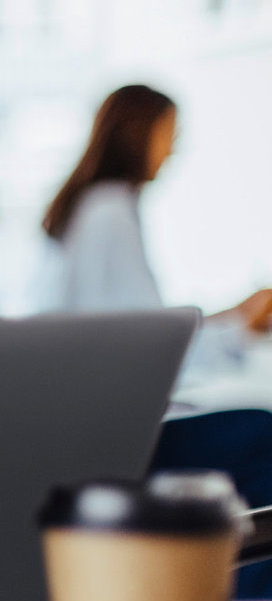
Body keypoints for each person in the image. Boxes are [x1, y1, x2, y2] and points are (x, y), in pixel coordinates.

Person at [40, 84, 272, 386]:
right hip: (115, 400)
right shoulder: (111, 213)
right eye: (169, 134)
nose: (172, 150)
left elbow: (139, 324)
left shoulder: (95, 204)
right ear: (139, 134)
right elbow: (150, 346)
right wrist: (240, 326)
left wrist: (234, 313)